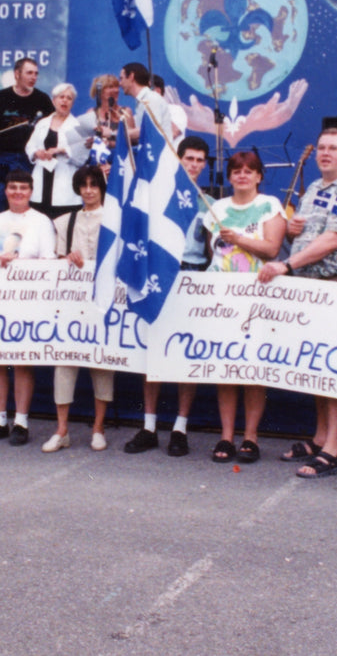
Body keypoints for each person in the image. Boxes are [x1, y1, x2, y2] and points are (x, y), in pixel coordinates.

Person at [255, 127, 337, 480]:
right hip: (312, 289)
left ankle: (333, 449)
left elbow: (334, 239)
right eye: (321, 147)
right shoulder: (315, 189)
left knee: (334, 370)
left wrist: (288, 264)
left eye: (333, 148)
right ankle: (321, 437)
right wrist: (292, 231)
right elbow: (303, 234)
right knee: (318, 368)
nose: (325, 153)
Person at [122, 136, 211, 458]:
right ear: (178, 159)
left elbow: (213, 249)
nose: (195, 164)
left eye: (201, 160)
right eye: (189, 158)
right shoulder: (158, 195)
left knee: (185, 354)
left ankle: (179, 428)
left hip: (193, 276)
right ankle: (148, 426)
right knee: (154, 350)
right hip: (160, 275)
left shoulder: (208, 201)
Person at [206, 149, 286, 465]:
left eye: (249, 170)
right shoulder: (217, 207)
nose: (242, 175)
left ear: (259, 176)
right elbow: (211, 251)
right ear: (230, 176)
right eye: (236, 170)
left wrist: (239, 238)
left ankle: (250, 437)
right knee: (227, 368)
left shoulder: (270, 206)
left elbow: (271, 249)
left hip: (257, 296)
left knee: (253, 369)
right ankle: (226, 435)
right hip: (222, 296)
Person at [0, 170, 57, 446]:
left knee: (22, 360)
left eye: (23, 187)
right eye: (12, 187)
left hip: (26, 299)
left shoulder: (41, 222)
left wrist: (18, 259)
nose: (17, 192)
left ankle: (21, 422)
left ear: (31, 191)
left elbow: (48, 261)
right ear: (5, 191)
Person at [41, 165, 113, 453]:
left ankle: (98, 427)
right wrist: (67, 259)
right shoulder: (63, 222)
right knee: (64, 365)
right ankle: (62, 430)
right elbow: (55, 263)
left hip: (103, 300)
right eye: (83, 185)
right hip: (71, 303)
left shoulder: (114, 219)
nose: (88, 190)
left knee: (102, 365)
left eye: (94, 184)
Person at [0, 57, 54, 215]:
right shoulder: (0, 97)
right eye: (29, 73)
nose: (34, 77)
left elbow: (55, 127)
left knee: (33, 206)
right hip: (6, 159)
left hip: (31, 161)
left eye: (36, 73)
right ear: (17, 74)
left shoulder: (43, 100)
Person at [25, 82, 86, 220]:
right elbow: (30, 146)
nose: (64, 100)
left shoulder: (77, 126)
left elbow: (82, 156)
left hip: (65, 185)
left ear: (72, 103)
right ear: (54, 100)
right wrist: (36, 153)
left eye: (69, 98)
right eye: (61, 97)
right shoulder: (42, 123)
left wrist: (62, 150)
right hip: (42, 181)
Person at [119, 61, 174, 146]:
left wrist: (115, 134)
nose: (120, 83)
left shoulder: (151, 99)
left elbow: (151, 130)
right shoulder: (143, 100)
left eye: (121, 78)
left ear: (131, 76)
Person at [74, 73, 123, 149]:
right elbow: (84, 141)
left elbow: (130, 142)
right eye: (110, 87)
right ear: (100, 92)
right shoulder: (92, 113)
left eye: (117, 86)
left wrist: (109, 143)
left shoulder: (125, 112)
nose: (116, 90)